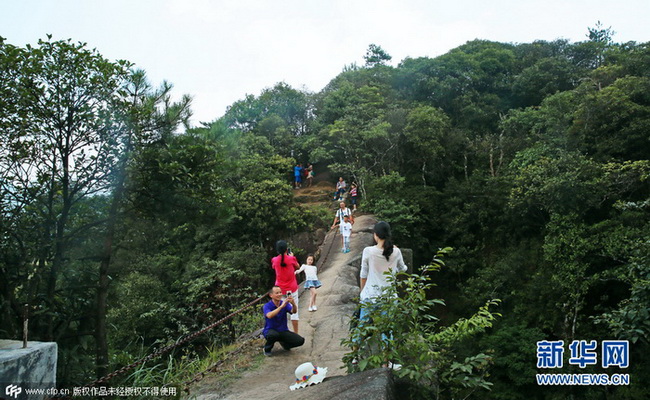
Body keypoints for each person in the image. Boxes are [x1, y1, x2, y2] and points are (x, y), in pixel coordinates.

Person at [358, 221, 407, 369]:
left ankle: (354, 358)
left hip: (370, 296)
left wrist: (362, 292)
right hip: (389, 297)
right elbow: (403, 269)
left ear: (376, 235)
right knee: (387, 330)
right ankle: (386, 363)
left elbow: (363, 273)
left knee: (362, 326)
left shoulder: (368, 251)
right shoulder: (396, 252)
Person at [262, 286, 305, 356]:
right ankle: (267, 349)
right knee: (272, 335)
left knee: (300, 340)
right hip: (270, 330)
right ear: (271, 295)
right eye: (277, 293)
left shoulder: (284, 303)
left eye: (280, 292)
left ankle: (285, 344)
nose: (279, 294)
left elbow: (293, 311)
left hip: (283, 330)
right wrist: (281, 307)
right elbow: (269, 315)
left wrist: (293, 304)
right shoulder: (267, 306)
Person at [271, 240, 300, 333]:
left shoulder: (274, 260)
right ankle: (296, 334)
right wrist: (291, 257)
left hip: (279, 290)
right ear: (287, 249)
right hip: (292, 288)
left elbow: (274, 266)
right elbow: (298, 267)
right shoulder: (292, 259)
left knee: (281, 310)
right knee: (294, 311)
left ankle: (282, 332)